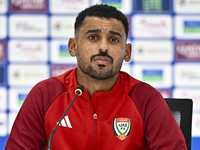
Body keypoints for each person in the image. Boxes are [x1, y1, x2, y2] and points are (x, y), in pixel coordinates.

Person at [5, 4, 187, 150]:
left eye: (114, 39)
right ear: (73, 47)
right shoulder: (45, 94)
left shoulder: (145, 98)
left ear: (127, 52)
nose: (103, 47)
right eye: (93, 37)